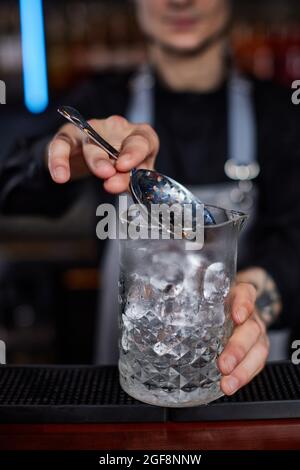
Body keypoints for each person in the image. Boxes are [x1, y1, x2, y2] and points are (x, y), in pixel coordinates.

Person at [1, 0, 300, 397]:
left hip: (235, 384)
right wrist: (56, 156)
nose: (180, 1)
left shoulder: (281, 114)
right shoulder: (103, 102)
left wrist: (254, 298)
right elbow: (9, 188)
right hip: (126, 383)